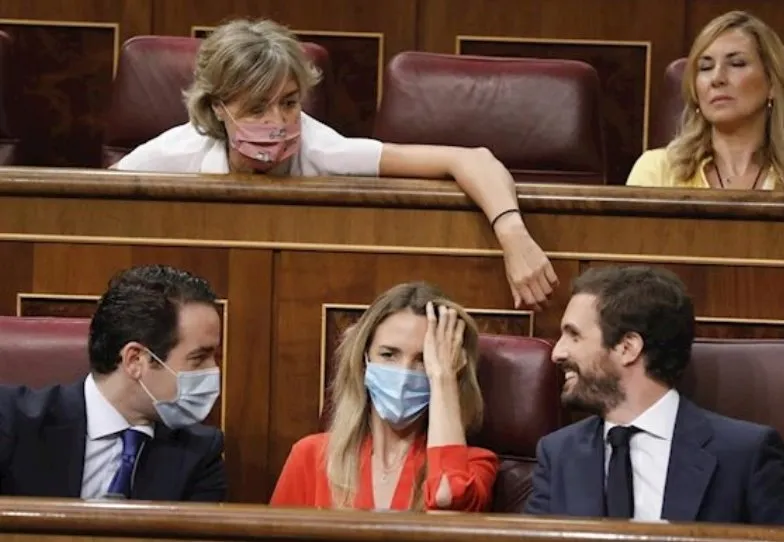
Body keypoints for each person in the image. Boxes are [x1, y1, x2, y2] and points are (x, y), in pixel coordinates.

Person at [110, 18, 557, 310]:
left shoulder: (324, 149)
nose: (278, 123)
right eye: (256, 109)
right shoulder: (175, 153)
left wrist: (513, 233)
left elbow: (473, 160)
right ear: (218, 109)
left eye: (288, 103)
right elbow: (86, 202)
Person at [524, 265, 784, 525]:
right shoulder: (559, 453)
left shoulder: (745, 454)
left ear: (627, 348)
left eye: (573, 335)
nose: (557, 353)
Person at [0, 264, 226, 501]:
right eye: (199, 358)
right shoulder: (11, 423)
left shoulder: (200, 454)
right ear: (135, 360)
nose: (213, 371)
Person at [270, 282, 497, 511]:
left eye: (423, 359)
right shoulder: (310, 455)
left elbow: (447, 497)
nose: (404, 374)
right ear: (363, 360)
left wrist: (442, 378)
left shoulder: (474, 464)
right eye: (389, 355)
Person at [626, 11, 784, 193]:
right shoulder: (656, 173)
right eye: (705, 67)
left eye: (737, 64)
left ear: (772, 84)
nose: (717, 79)